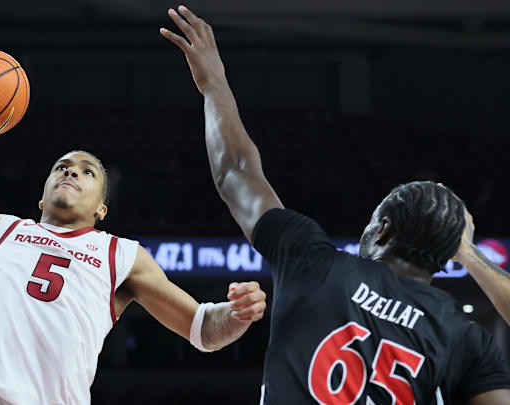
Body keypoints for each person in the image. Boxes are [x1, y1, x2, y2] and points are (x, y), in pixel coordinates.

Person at [161, 6, 510, 404]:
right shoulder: (464, 336)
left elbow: (236, 172)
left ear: (383, 229)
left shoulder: (315, 262)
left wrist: (214, 84)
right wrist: (467, 252)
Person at [0, 125, 267, 405]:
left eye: (87, 172)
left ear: (101, 211)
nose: (71, 173)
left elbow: (204, 329)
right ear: (42, 194)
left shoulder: (121, 255)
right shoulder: (0, 229)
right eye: (61, 167)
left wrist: (237, 314)